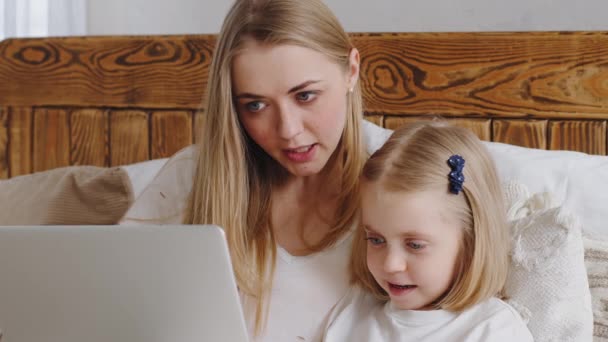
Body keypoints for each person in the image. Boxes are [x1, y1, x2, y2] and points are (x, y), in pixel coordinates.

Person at [134, 0, 368, 340]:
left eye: (305, 96)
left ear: (351, 71)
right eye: (255, 105)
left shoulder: (412, 179)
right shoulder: (192, 178)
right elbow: (118, 303)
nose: (288, 130)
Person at [323, 121, 534, 341]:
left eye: (415, 245)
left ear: (470, 241)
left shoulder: (494, 330)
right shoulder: (357, 314)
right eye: (376, 240)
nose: (390, 264)